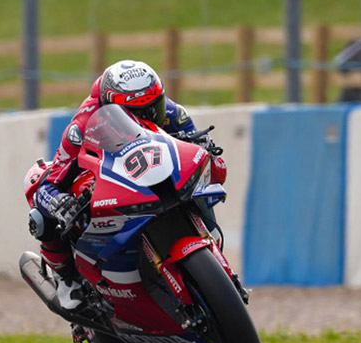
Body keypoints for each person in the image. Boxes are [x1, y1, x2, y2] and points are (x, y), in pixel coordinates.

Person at [28, 60, 226, 310]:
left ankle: (207, 233)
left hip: (158, 170)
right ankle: (66, 278)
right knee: (42, 215)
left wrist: (206, 147)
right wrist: (59, 202)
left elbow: (203, 151)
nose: (149, 117)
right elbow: (48, 187)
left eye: (154, 107)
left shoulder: (171, 111)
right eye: (138, 113)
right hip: (110, 174)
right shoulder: (81, 128)